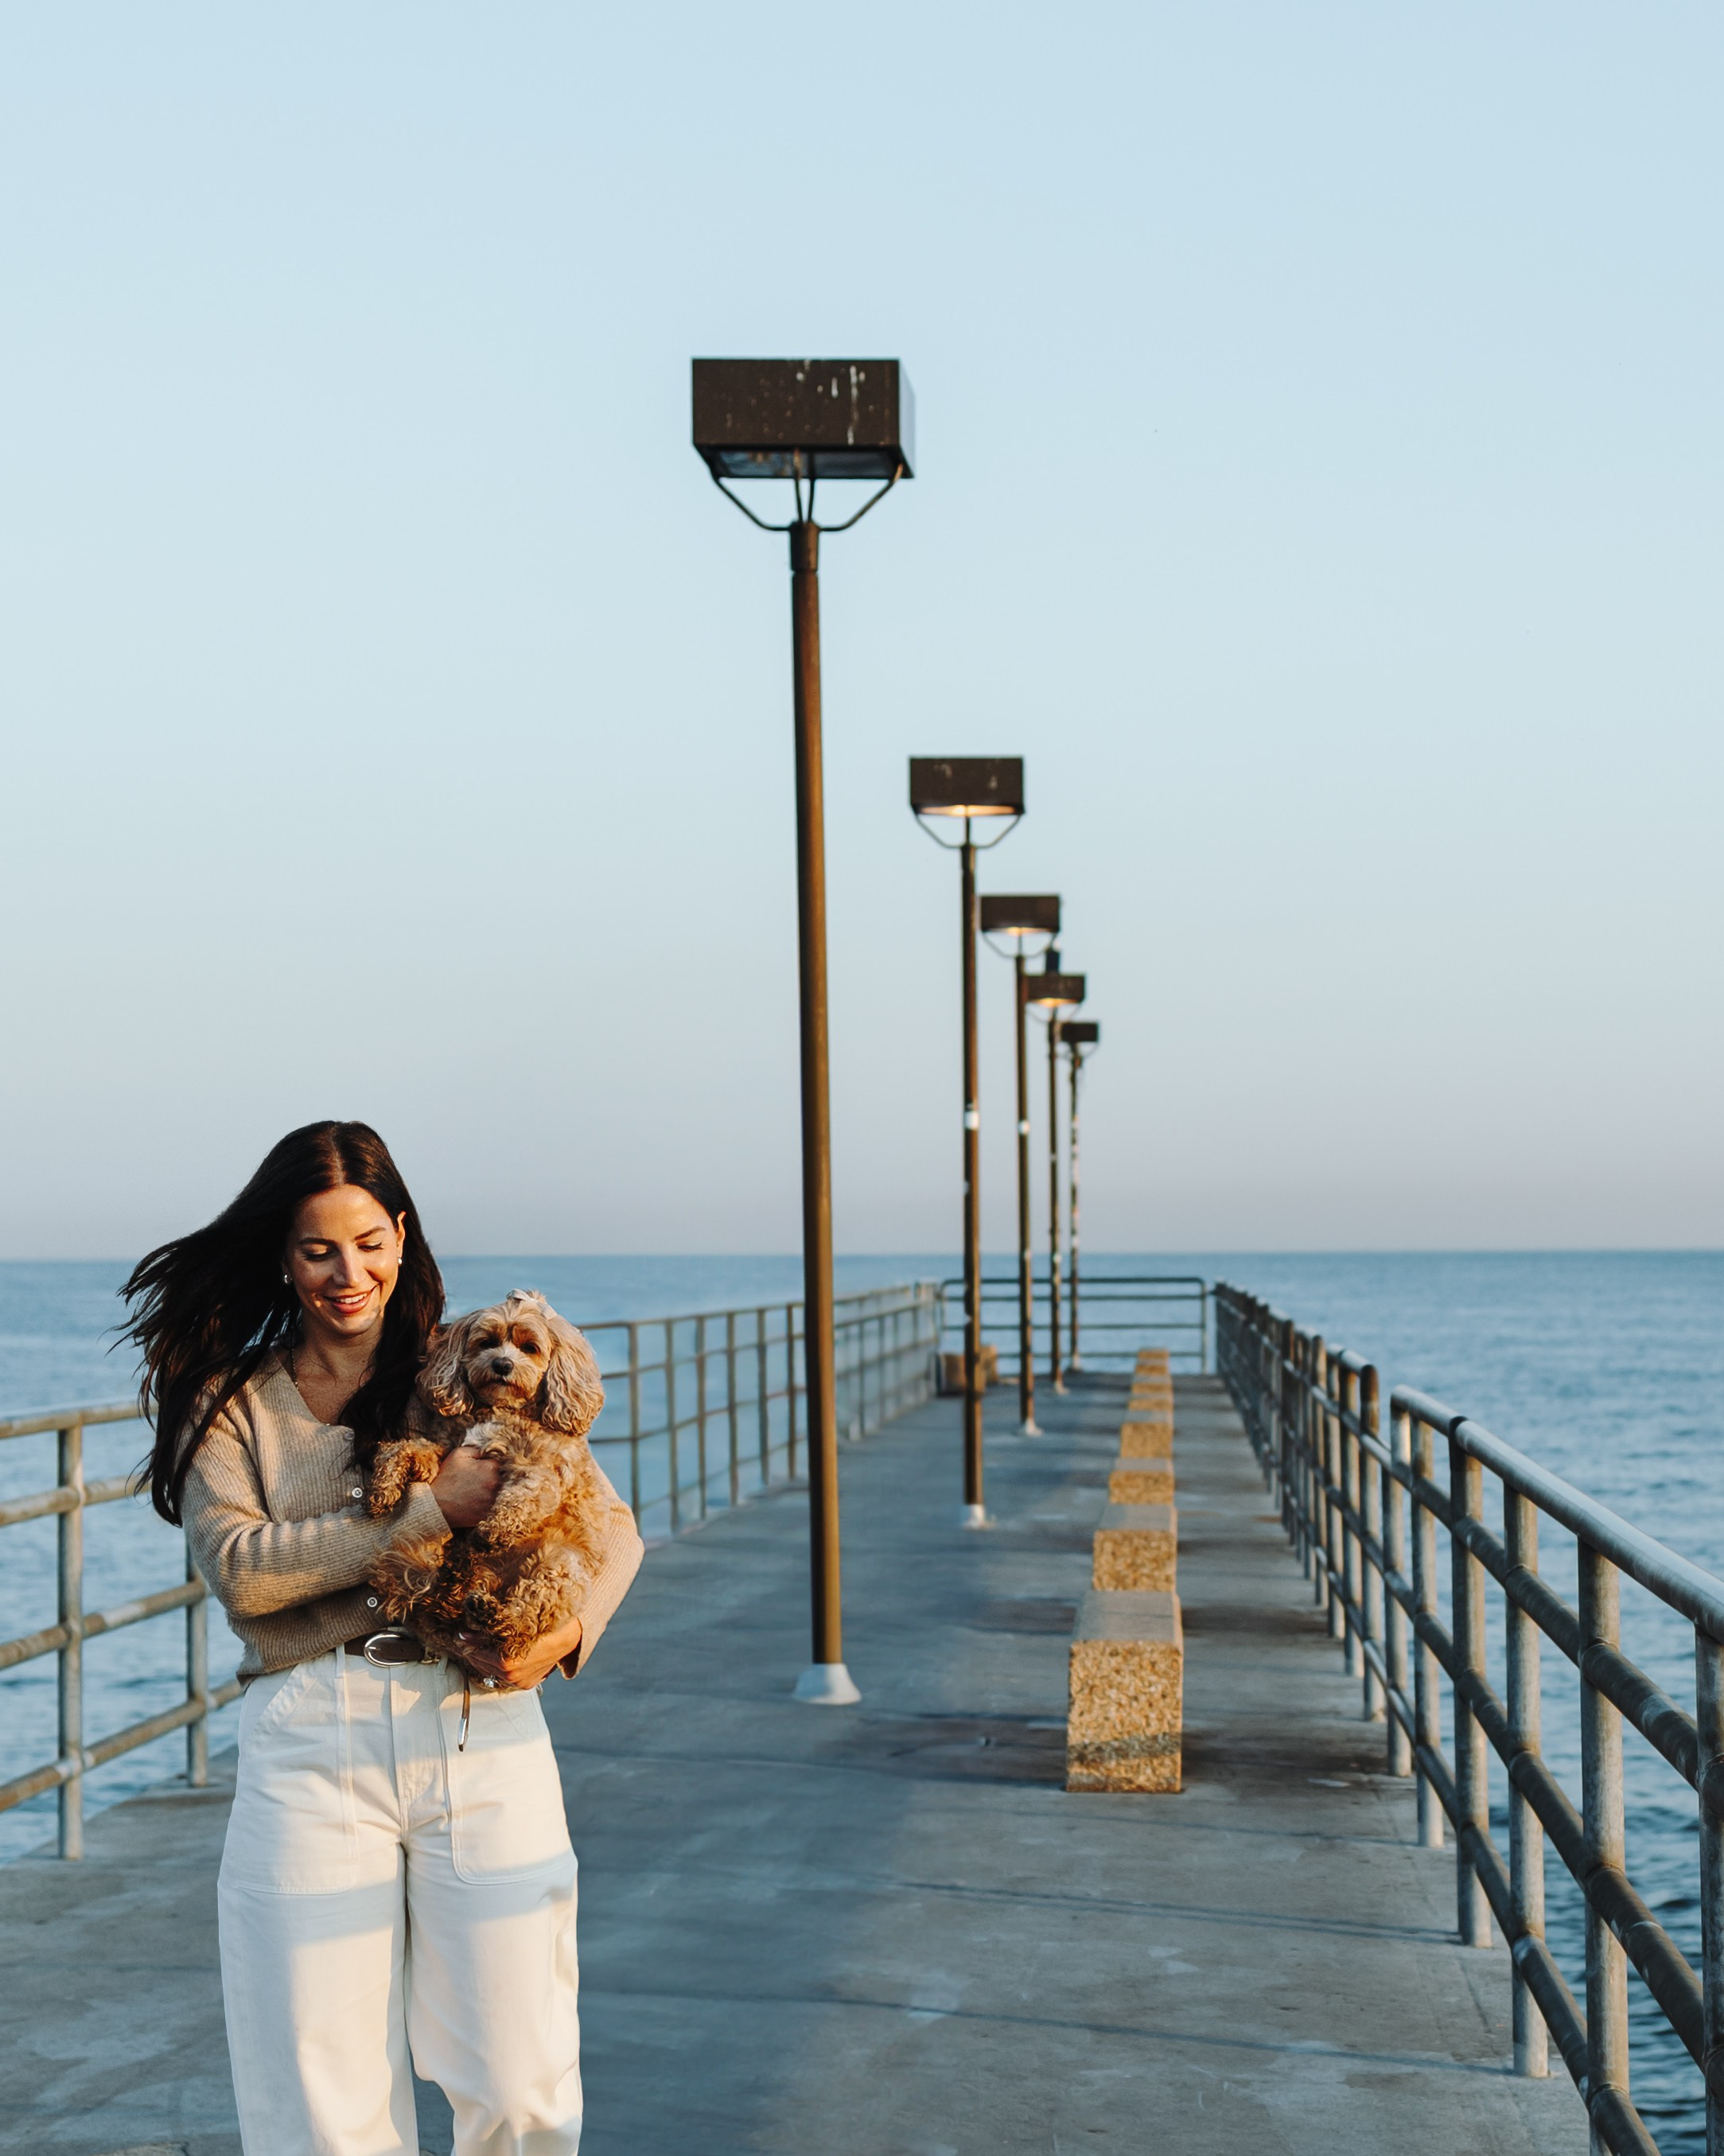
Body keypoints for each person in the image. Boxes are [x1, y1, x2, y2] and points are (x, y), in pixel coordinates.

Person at [126, 1119, 643, 2156]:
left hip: (479, 1727)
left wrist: (566, 1634)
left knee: (522, 2081)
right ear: (284, 1253)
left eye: (367, 1242)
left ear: (401, 1236)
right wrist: (425, 1513)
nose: (347, 1273)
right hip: (310, 1737)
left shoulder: (468, 1363)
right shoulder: (231, 1401)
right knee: (319, 2101)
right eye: (318, 1248)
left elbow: (614, 1524)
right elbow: (243, 1570)